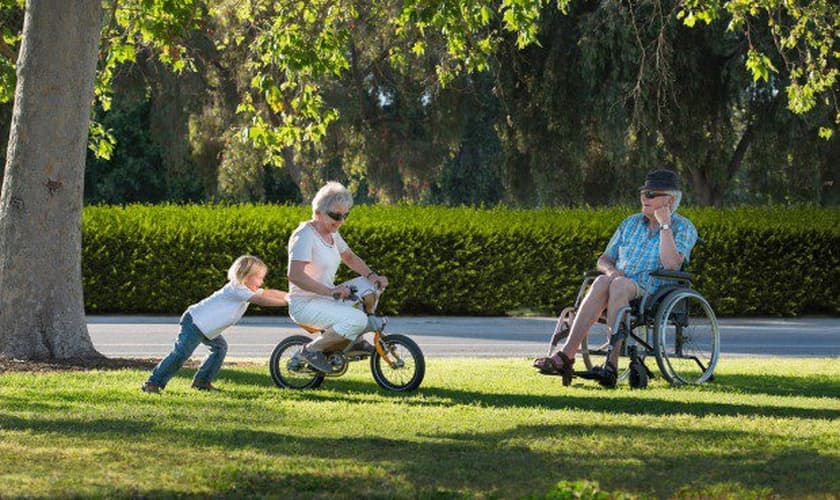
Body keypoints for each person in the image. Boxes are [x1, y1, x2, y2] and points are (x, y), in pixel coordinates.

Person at [533, 169, 698, 387]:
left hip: (653, 290)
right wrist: (610, 271)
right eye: (642, 193)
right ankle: (566, 356)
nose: (644, 198)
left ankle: (610, 365)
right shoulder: (629, 223)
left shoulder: (683, 227)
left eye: (651, 194)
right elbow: (604, 259)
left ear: (670, 199)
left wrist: (665, 225)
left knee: (618, 284)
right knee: (603, 280)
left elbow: (671, 264)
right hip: (616, 285)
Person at [141, 255, 288, 393]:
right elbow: (262, 300)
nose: (262, 282)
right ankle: (153, 383)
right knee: (181, 354)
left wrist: (290, 295)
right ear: (246, 276)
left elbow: (269, 293)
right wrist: (288, 301)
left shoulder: (245, 289)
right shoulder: (237, 289)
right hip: (195, 323)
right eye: (259, 278)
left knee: (220, 348)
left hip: (207, 328)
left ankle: (202, 382)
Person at [287, 181, 389, 373]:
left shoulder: (332, 234)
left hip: (326, 298)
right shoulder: (304, 235)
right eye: (335, 216)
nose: (341, 221)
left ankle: (356, 341)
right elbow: (295, 275)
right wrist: (331, 291)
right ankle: (311, 350)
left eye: (345, 215)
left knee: (370, 287)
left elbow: (349, 257)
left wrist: (372, 275)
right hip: (305, 303)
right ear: (318, 212)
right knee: (357, 320)